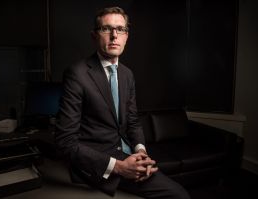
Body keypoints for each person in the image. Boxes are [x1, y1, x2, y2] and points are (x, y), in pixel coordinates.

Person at [55, 6, 190, 199]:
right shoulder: (77, 74)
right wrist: (119, 167)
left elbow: (133, 121)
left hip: (129, 154)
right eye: (106, 28)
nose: (114, 35)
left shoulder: (127, 74)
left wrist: (141, 152)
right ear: (94, 35)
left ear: (126, 36)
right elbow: (65, 141)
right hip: (100, 162)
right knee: (179, 196)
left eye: (120, 29)